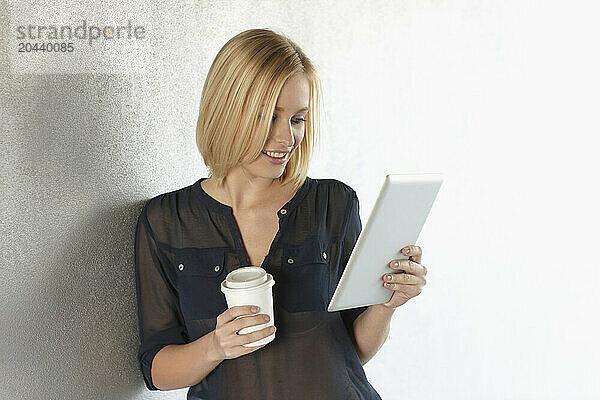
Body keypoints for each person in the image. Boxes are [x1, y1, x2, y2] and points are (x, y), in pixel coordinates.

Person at [134, 28, 427, 399]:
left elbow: (352, 352)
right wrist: (216, 346)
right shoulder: (166, 221)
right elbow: (156, 369)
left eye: (297, 119)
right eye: (268, 117)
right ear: (225, 111)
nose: (286, 138)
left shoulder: (333, 205)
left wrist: (387, 305)